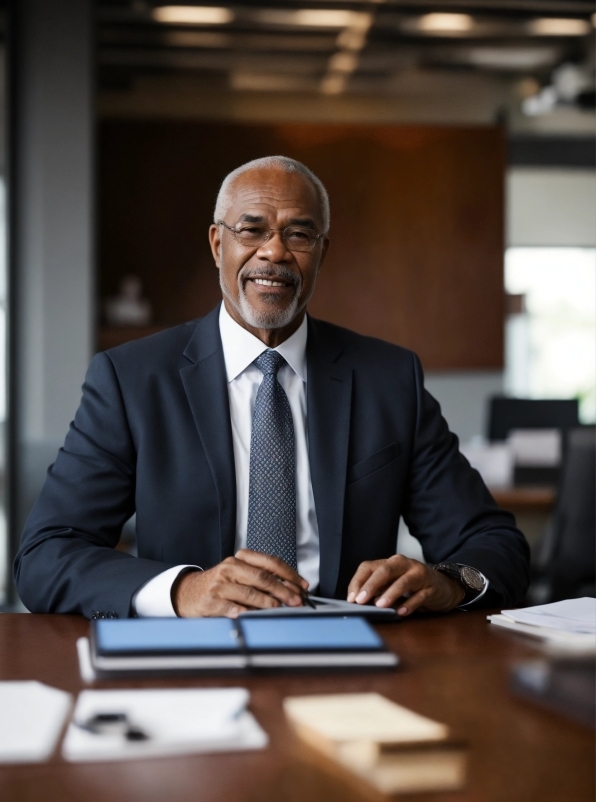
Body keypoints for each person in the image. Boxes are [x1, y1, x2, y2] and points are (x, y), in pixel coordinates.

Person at [15, 156, 529, 619]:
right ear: (219, 244)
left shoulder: (389, 380)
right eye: (252, 230)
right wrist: (183, 592)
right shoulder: (131, 380)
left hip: (352, 656)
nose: (275, 252)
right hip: (190, 657)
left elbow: (492, 543)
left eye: (299, 235)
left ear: (322, 252)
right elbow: (45, 556)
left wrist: (448, 581)